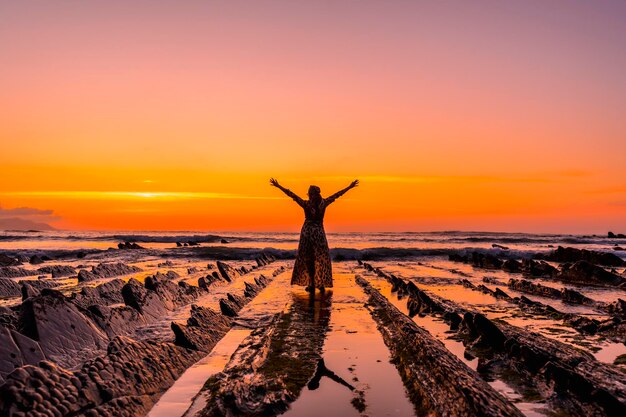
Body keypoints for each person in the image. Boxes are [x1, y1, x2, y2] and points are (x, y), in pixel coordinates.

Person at [270, 178, 359, 292]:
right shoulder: (323, 203)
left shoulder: (307, 204)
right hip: (318, 234)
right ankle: (319, 283)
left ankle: (313, 284)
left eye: (310, 194)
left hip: (307, 233)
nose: (310, 196)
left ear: (311, 194)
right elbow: (338, 194)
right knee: (320, 257)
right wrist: (349, 187)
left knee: (310, 258)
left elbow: (292, 195)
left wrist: (278, 186)